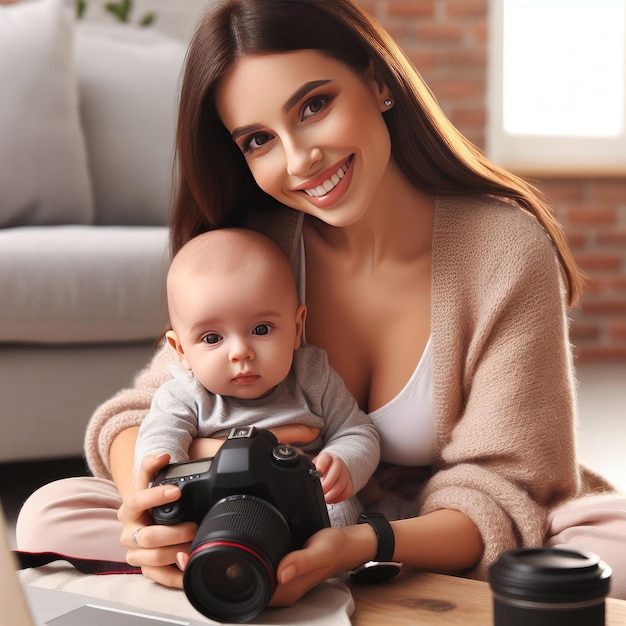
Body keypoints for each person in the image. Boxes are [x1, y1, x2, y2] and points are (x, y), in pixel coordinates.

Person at [17, 0, 626, 607]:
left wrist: (360, 544)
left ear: (379, 79)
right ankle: (251, 573)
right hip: (260, 518)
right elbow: (143, 412)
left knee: (612, 551)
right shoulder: (258, 244)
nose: (299, 159)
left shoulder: (505, 248)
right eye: (258, 140)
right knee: (50, 513)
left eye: (314, 105)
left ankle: (309, 583)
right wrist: (156, 509)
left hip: (425, 533)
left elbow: (510, 485)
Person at [134, 227, 379, 528]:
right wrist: (168, 478)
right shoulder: (183, 394)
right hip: (220, 507)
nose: (240, 352)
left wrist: (343, 462)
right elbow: (157, 444)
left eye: (261, 329)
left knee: (341, 510)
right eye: (212, 338)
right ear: (181, 350)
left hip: (302, 505)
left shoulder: (313, 376)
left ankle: (331, 562)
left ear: (297, 327)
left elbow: (358, 432)